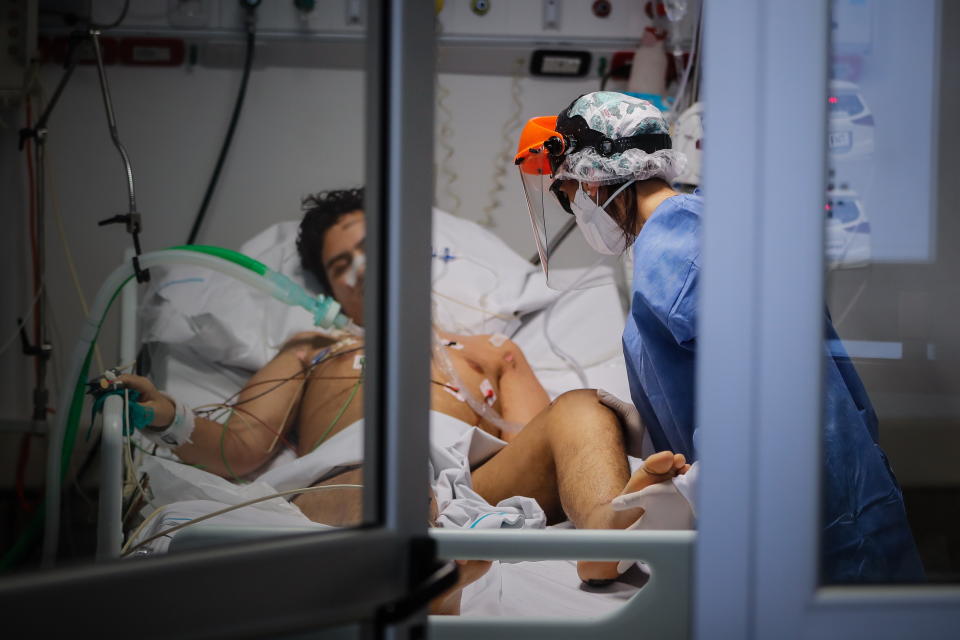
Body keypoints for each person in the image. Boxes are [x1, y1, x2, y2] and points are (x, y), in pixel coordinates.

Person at [118, 188, 690, 613]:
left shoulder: (487, 350)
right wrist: (166, 415)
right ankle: (425, 583)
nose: (360, 270)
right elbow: (241, 447)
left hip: (472, 482)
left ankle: (605, 533)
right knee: (391, 486)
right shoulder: (314, 347)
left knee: (584, 406)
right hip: (353, 483)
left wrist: (572, 457)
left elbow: (534, 442)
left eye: (370, 249)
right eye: (341, 266)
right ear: (329, 289)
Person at [513, 90, 925, 583]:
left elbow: (768, 399)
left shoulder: (677, 252)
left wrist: (692, 491)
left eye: (569, 195)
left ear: (594, 181)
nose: (576, 210)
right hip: (835, 494)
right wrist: (647, 428)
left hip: (801, 526)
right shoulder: (706, 227)